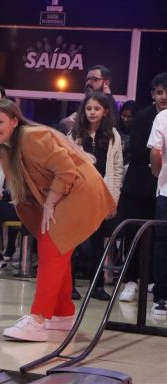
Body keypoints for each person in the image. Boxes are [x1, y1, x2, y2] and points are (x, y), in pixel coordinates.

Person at [0, 98, 115, 342]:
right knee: (56, 249)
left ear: (14, 121)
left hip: (80, 190)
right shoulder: (5, 147)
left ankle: (37, 320)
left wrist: (51, 203)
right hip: (66, 192)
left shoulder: (31, 137)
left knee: (52, 248)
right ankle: (63, 314)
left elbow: (66, 170)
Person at [70, 92, 124, 301]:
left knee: (97, 243)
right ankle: (69, 284)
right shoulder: (74, 134)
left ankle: (97, 286)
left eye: (97, 109)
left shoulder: (113, 136)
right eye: (89, 108)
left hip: (101, 196)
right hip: (78, 195)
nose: (92, 112)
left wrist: (113, 199)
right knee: (74, 243)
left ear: (105, 112)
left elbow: (117, 170)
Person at [119, 72, 167, 302]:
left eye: (166, 92)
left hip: (162, 188)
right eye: (159, 92)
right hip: (140, 185)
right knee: (134, 234)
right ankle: (130, 281)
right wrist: (156, 163)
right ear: (152, 95)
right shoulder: (142, 117)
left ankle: (153, 282)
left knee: (160, 237)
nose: (164, 96)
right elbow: (138, 152)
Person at [147, 108, 167, 315]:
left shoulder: (163, 116)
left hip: (166, 190)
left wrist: (157, 172)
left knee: (163, 243)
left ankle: (161, 298)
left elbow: (155, 151)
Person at [60, 65, 119, 131]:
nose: (88, 83)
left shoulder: (106, 104)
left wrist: (65, 124)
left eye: (94, 79)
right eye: (87, 79)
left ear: (106, 83)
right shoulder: (96, 101)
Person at [118, 100, 139, 170]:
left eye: (129, 117)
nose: (125, 119)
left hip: (130, 166)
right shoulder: (116, 128)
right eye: (123, 115)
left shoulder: (139, 131)